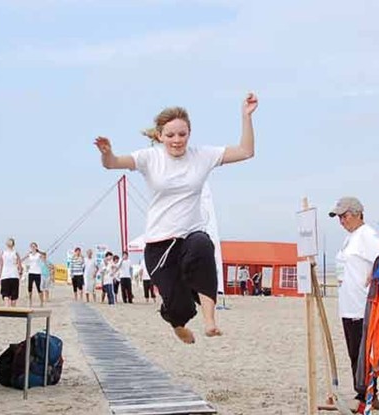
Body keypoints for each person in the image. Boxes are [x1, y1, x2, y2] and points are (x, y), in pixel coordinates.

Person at [94, 93, 257, 343]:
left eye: (182, 134)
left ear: (189, 133)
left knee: (203, 245)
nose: (177, 140)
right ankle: (178, 324)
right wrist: (107, 152)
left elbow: (246, 151)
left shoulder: (202, 156)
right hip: (159, 244)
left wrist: (246, 116)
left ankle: (210, 321)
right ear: (160, 136)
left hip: (190, 235)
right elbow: (112, 163)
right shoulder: (150, 158)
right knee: (178, 307)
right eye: (170, 135)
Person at [331, 196, 379, 408]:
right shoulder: (351, 237)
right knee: (354, 352)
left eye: (345, 216)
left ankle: (367, 394)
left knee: (363, 353)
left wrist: (375, 276)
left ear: (357, 213)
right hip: (348, 304)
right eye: (339, 217)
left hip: (361, 305)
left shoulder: (366, 235)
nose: (342, 221)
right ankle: (363, 393)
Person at [0, 236, 21, 307]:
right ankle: (13, 309)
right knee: (14, 295)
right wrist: (20, 274)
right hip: (14, 275)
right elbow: (19, 266)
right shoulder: (15, 253)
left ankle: (7, 307)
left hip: (5, 275)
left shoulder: (3, 253)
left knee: (5, 294)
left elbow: (0, 266)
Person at [24, 242, 44, 307]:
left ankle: (41, 301)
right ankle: (30, 300)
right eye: (32, 246)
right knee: (29, 287)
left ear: (36, 247)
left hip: (37, 273)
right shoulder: (29, 254)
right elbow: (22, 259)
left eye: (34, 246)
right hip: (31, 272)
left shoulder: (38, 254)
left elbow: (44, 259)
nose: (33, 247)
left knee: (39, 288)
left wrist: (43, 257)